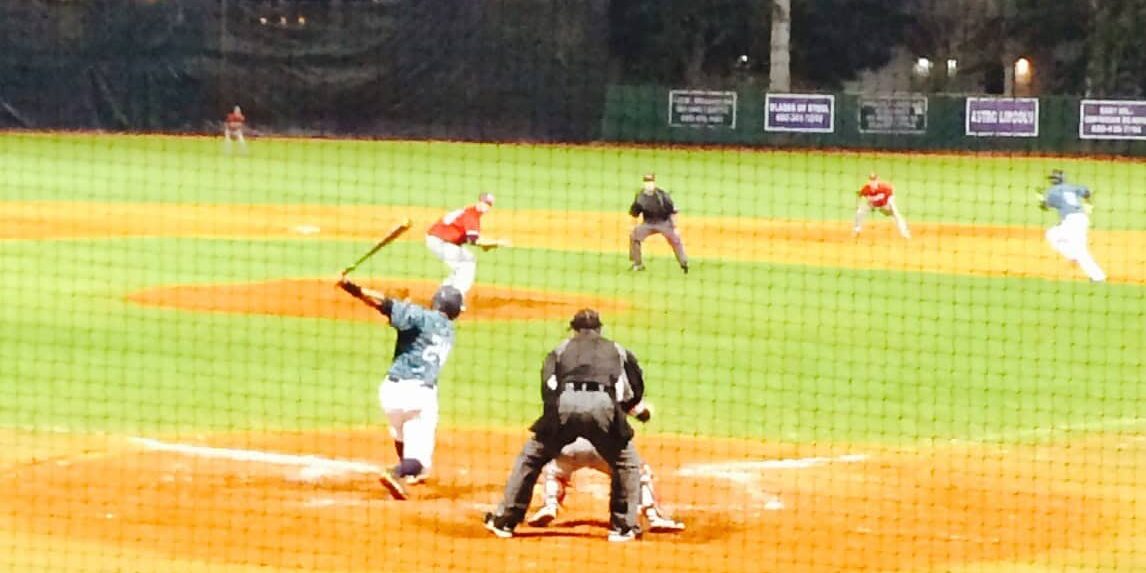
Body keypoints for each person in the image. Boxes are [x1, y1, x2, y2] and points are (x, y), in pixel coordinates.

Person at [483, 309, 649, 542]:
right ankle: (622, 527)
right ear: (600, 329)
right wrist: (620, 412)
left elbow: (548, 387)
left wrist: (553, 422)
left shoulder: (560, 349)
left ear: (574, 328)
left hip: (564, 404)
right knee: (626, 463)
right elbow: (636, 388)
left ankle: (504, 521)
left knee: (531, 458)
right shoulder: (617, 350)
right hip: (604, 405)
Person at [335, 274, 464, 499]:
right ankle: (399, 472)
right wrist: (404, 306)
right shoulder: (449, 332)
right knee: (420, 462)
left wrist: (349, 286)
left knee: (400, 432)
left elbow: (382, 304)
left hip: (390, 392)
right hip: (419, 396)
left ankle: (404, 468)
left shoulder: (420, 316)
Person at [524, 440, 685, 533]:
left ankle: (550, 505)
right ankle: (653, 517)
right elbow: (635, 408)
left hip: (571, 448)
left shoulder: (567, 385)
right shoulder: (612, 383)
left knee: (553, 471)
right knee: (641, 472)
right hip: (606, 448)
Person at [425, 192, 508, 307]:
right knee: (467, 264)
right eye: (484, 202)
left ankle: (442, 294)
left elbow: (476, 241)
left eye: (488, 204)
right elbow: (474, 241)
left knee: (463, 265)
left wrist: (491, 245)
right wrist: (497, 242)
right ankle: (457, 300)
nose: (485, 206)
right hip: (440, 241)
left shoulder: (470, 213)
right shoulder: (472, 216)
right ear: (479, 201)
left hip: (439, 240)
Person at [1038, 169, 1106, 282]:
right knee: (1052, 234)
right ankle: (1071, 255)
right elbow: (1087, 192)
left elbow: (1045, 207)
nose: (1051, 181)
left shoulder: (1053, 191)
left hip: (1072, 221)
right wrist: (1088, 202)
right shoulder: (1071, 187)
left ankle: (1098, 277)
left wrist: (1040, 199)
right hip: (1080, 219)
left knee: (1081, 251)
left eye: (1052, 179)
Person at [629, 173, 689, 273]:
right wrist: (633, 225)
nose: (649, 184)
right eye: (647, 181)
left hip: (664, 223)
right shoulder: (640, 196)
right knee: (634, 236)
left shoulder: (662, 195)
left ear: (654, 182)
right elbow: (635, 212)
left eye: (650, 181)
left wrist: (674, 225)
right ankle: (638, 264)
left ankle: (684, 263)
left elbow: (673, 211)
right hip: (648, 223)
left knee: (675, 240)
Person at [854, 173, 911, 239]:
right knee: (860, 212)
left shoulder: (884, 187)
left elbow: (891, 194)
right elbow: (859, 195)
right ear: (868, 181)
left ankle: (905, 232)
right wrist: (857, 205)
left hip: (886, 203)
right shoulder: (866, 189)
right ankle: (857, 230)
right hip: (873, 204)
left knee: (896, 214)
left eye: (874, 180)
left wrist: (888, 207)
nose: (873, 182)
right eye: (871, 180)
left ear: (877, 180)